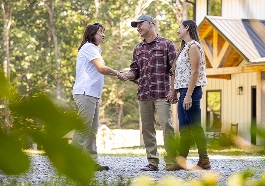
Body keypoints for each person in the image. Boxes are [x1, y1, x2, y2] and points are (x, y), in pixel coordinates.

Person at [119, 14, 178, 171]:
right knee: (147, 129)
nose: (138, 27)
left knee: (166, 124)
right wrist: (127, 75)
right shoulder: (138, 49)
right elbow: (135, 71)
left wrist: (174, 91)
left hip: (163, 93)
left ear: (150, 24)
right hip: (144, 94)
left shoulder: (167, 44)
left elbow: (176, 70)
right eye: (136, 25)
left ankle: (172, 160)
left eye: (140, 24)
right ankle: (152, 162)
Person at [72, 22, 121, 171]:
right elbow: (101, 68)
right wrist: (118, 73)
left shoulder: (94, 49)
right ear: (92, 34)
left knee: (92, 130)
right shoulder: (89, 48)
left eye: (103, 31)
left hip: (92, 95)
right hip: (85, 93)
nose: (103, 34)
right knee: (83, 129)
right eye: (100, 32)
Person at [166, 20, 210, 171]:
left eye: (179, 27)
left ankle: (204, 160)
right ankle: (182, 161)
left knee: (195, 126)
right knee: (184, 128)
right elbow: (179, 73)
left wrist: (189, 95)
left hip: (192, 91)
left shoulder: (193, 46)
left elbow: (195, 72)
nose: (177, 30)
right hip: (184, 90)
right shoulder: (184, 48)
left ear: (187, 28)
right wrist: (175, 91)